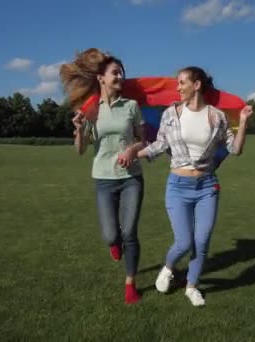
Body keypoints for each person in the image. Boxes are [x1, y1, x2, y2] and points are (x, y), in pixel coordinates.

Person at [138, 66, 253, 306]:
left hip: (207, 187)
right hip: (178, 187)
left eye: (182, 83)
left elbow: (235, 149)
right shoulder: (171, 114)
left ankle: (191, 286)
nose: (177, 88)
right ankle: (168, 268)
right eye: (177, 83)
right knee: (184, 242)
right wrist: (135, 154)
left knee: (202, 242)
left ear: (197, 84)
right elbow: (160, 144)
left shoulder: (217, 116)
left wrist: (242, 122)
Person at [60, 48, 147, 304]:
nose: (120, 75)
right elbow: (81, 150)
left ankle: (130, 283)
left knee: (130, 232)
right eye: (115, 72)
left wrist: (132, 149)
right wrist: (78, 130)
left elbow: (145, 140)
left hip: (132, 177)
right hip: (103, 179)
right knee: (112, 235)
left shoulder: (131, 106)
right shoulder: (90, 110)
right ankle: (114, 242)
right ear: (101, 77)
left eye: (121, 72)